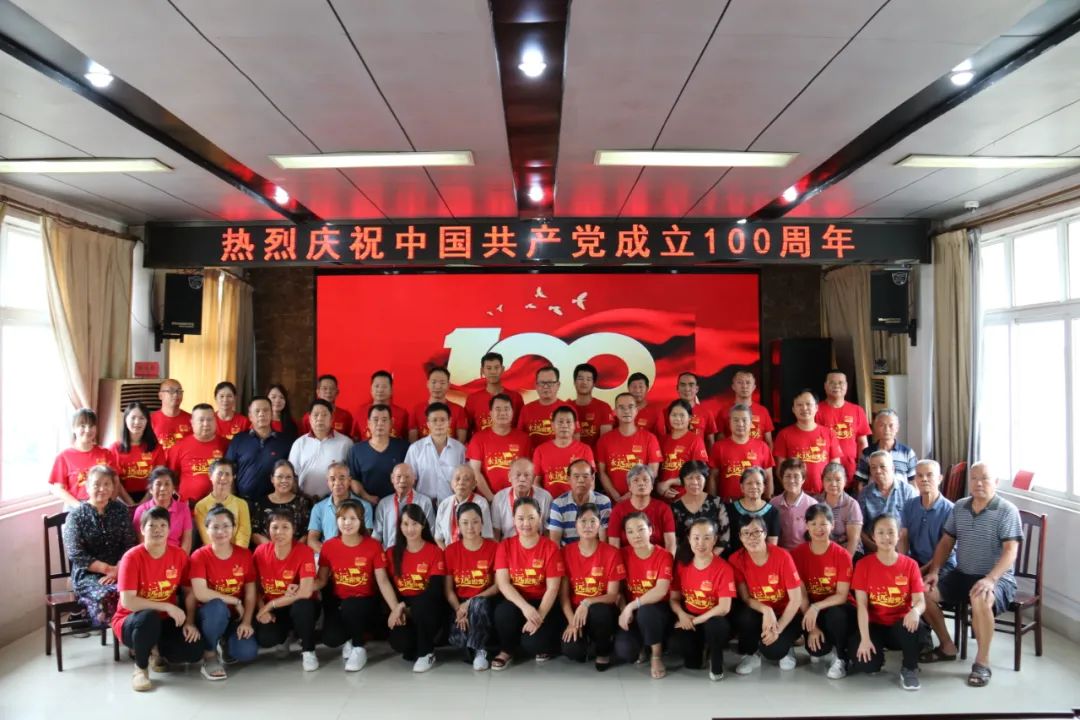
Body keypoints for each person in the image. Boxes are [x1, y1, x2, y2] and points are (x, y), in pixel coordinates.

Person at [924, 462, 1022, 688]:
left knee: (981, 597)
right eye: (974, 478)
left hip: (997, 578)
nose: (978, 483)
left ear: (996, 482)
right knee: (923, 592)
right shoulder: (960, 506)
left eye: (985, 478)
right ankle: (947, 646)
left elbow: (1011, 551)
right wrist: (935, 571)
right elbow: (947, 541)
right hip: (962, 573)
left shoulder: (1007, 510)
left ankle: (982, 662)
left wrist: (990, 579)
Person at [112, 506, 203, 691]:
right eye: (152, 525)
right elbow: (128, 601)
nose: (157, 530)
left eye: (163, 525)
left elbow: (189, 591)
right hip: (132, 620)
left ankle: (156, 649)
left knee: (194, 651)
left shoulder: (178, 555)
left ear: (169, 530)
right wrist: (167, 606)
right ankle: (140, 668)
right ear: (142, 529)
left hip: (164, 620)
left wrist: (190, 621)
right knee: (148, 617)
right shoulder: (131, 558)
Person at [849, 513, 925, 690]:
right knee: (866, 665)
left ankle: (909, 668)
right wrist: (865, 639)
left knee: (917, 626)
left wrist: (915, 611)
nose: (886, 537)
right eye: (881, 533)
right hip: (874, 625)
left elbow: (920, 601)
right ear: (873, 536)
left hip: (900, 625)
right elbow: (861, 606)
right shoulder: (863, 565)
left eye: (891, 532)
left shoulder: (910, 565)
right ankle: (876, 655)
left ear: (899, 535)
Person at [492, 497, 565, 670]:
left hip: (543, 603)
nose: (526, 523)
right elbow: (503, 584)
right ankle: (506, 650)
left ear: (540, 518)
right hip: (517, 600)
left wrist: (538, 616)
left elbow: (553, 588)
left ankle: (542, 642)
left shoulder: (550, 548)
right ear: (514, 519)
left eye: (531, 518)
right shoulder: (505, 546)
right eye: (521, 518)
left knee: (533, 645)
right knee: (503, 612)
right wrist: (525, 608)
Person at [316, 499, 388, 672]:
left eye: (353, 518)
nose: (347, 523)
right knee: (331, 639)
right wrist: (299, 588)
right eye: (343, 518)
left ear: (361, 520)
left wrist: (394, 608)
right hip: (340, 601)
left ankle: (358, 647)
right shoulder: (329, 546)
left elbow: (383, 581)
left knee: (352, 605)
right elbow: (321, 580)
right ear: (337, 520)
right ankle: (349, 637)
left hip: (366, 601)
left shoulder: (373, 545)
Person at [189, 505, 259, 680]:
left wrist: (246, 622)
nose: (221, 531)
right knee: (217, 607)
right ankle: (210, 654)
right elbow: (201, 593)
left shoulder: (244, 555)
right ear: (206, 529)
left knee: (246, 652)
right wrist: (234, 601)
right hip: (209, 616)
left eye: (226, 526)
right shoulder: (199, 556)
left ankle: (226, 642)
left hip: (235, 616)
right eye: (215, 527)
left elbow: (251, 593)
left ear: (234, 528)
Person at [63, 466, 138, 627]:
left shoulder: (120, 510)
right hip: (88, 574)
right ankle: (123, 631)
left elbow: (130, 543)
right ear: (87, 486)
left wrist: (118, 569)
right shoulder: (76, 516)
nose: (102, 489)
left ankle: (134, 632)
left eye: (107, 484)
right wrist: (107, 569)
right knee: (108, 595)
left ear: (113, 487)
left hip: (120, 569)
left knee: (138, 589)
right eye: (96, 484)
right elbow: (76, 553)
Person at [375, 504, 447, 672]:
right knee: (402, 645)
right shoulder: (391, 553)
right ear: (400, 526)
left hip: (428, 606)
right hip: (403, 607)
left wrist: (404, 608)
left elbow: (435, 591)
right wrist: (397, 607)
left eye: (415, 524)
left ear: (423, 525)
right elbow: (385, 584)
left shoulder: (435, 552)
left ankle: (426, 653)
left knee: (423, 605)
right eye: (405, 524)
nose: (410, 529)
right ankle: (417, 645)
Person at [900, 459, 958, 664]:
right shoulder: (909, 505)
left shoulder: (951, 510)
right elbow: (904, 537)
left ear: (940, 478)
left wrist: (916, 571)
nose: (924, 479)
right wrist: (902, 563)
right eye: (919, 475)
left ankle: (947, 645)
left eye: (929, 475)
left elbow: (945, 550)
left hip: (942, 567)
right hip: (915, 564)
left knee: (923, 593)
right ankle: (913, 639)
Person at [729, 517, 804, 674]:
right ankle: (752, 654)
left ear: (765, 533)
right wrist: (766, 610)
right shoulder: (736, 559)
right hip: (760, 611)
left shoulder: (782, 556)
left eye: (756, 532)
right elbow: (746, 598)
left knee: (773, 651)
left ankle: (787, 647)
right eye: (746, 533)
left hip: (787, 612)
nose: (751, 537)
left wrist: (778, 628)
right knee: (744, 616)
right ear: (740, 537)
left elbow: (796, 599)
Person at [669, 517, 736, 680]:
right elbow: (674, 599)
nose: (701, 543)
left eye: (707, 538)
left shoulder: (724, 568)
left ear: (715, 540)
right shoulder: (682, 565)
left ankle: (716, 658)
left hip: (713, 619)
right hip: (689, 616)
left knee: (716, 626)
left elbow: (724, 607)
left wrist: (695, 621)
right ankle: (702, 650)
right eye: (696, 538)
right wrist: (682, 615)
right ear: (689, 539)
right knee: (688, 659)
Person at [560, 503, 625, 671]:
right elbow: (564, 597)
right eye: (583, 521)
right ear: (575, 525)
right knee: (572, 651)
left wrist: (587, 602)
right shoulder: (566, 552)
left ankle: (603, 651)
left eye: (593, 521)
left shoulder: (611, 553)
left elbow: (613, 595)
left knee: (599, 612)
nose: (587, 526)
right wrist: (572, 622)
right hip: (576, 612)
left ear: (599, 525)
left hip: (601, 610)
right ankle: (586, 641)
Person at [252, 509, 319, 671]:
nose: (279, 532)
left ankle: (308, 650)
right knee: (266, 638)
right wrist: (262, 608)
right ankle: (285, 637)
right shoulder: (260, 552)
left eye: (285, 527)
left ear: (293, 530)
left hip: (299, 605)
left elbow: (305, 592)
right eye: (274, 527)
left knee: (303, 606)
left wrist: (270, 605)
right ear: (268, 529)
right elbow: (254, 587)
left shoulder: (304, 551)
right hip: (276, 609)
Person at [792, 504, 853, 680]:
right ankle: (828, 645)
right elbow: (802, 595)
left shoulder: (842, 555)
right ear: (806, 525)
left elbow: (842, 595)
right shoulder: (797, 554)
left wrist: (816, 607)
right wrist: (813, 629)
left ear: (832, 525)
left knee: (836, 615)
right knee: (817, 650)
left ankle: (841, 656)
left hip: (838, 607)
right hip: (811, 609)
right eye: (813, 524)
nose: (819, 529)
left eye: (824, 524)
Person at [614, 512, 673, 679]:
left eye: (641, 529)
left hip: (657, 609)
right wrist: (624, 609)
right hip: (633, 611)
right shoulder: (622, 554)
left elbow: (661, 590)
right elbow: (618, 589)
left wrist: (631, 606)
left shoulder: (664, 555)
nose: (636, 535)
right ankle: (643, 645)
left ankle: (656, 655)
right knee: (625, 651)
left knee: (647, 611)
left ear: (651, 530)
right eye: (630, 531)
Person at [443, 501, 500, 671]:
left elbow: (497, 586)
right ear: (458, 525)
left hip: (486, 601)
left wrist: (470, 603)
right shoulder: (450, 550)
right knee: (459, 641)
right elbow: (448, 590)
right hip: (459, 604)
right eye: (465, 522)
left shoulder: (494, 548)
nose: (470, 527)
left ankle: (481, 651)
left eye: (475, 522)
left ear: (482, 523)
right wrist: (459, 609)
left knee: (478, 603)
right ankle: (473, 648)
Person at [596, 392, 661, 502]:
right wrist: (616, 497)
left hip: (641, 500)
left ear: (636, 410)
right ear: (615, 411)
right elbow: (601, 472)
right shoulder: (604, 440)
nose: (626, 411)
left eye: (630, 407)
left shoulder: (650, 439)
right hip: (613, 502)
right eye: (621, 407)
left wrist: (631, 494)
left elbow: (652, 473)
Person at [773, 390, 842, 495]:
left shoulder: (829, 433)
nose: (804, 408)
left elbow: (835, 467)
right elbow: (780, 470)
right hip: (796, 495)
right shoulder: (783, 435)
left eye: (808, 404)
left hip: (824, 494)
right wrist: (793, 491)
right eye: (799, 405)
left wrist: (829, 491)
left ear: (816, 407)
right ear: (793, 409)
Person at [225, 396, 293, 500]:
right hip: (243, 501)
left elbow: (291, 473)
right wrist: (231, 498)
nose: (261, 414)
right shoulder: (239, 439)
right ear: (250, 416)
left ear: (271, 414)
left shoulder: (284, 442)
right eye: (257, 411)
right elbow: (228, 469)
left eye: (266, 410)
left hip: (275, 502)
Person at [466, 393, 531, 500]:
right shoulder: (478, 438)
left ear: (512, 412)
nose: (503, 413)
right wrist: (491, 498)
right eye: (498, 409)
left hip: (517, 499)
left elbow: (528, 471)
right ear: (491, 413)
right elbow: (475, 471)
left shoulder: (524, 439)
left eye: (506, 409)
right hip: (486, 499)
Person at [48, 408, 115, 507]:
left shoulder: (106, 453)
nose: (87, 430)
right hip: (76, 506)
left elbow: (115, 481)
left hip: (103, 504)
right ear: (73, 428)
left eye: (91, 426)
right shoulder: (63, 456)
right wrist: (80, 506)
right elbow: (58, 489)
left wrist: (108, 503)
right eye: (82, 426)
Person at [289, 399, 354, 498]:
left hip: (335, 501)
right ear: (309, 418)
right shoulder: (299, 443)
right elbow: (292, 475)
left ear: (331, 419)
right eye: (316, 415)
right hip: (305, 499)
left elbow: (352, 476)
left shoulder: (346, 443)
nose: (320, 418)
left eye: (324, 415)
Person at [346, 403, 410, 504]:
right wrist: (367, 497)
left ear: (391, 422)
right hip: (366, 503)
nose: (380, 423)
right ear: (368, 423)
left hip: (398, 503)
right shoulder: (356, 450)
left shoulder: (404, 447)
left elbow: (410, 477)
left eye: (384, 420)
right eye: (375, 420)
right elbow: (353, 479)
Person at [709, 403, 775, 500]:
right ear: (729, 422)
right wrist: (712, 502)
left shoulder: (762, 447)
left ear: (751, 423)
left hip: (755, 503)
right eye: (736, 420)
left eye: (744, 420)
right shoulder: (718, 447)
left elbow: (769, 477)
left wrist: (768, 501)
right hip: (727, 504)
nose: (740, 424)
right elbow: (713, 477)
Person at [405, 402, 467, 503]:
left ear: (449, 421)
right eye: (434, 420)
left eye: (443, 420)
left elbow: (465, 479)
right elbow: (408, 480)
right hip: (422, 504)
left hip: (451, 504)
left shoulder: (460, 449)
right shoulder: (415, 449)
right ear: (428, 423)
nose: (439, 424)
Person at [607, 465, 677, 554]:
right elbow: (614, 546)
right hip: (627, 559)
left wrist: (667, 562)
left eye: (645, 480)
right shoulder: (618, 510)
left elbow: (670, 544)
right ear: (629, 487)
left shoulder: (664, 509)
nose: (641, 483)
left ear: (652, 486)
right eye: (636, 480)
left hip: (658, 559)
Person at [815, 370, 871, 482]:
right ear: (825, 386)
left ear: (846, 386)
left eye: (840, 382)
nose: (836, 386)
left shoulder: (857, 410)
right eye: (832, 382)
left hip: (852, 470)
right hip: (825, 471)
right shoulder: (816, 410)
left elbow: (862, 443)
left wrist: (862, 470)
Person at [167, 403, 228, 503]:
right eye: (201, 420)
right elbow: (170, 477)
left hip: (219, 506)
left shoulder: (226, 445)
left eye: (209, 419)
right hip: (187, 507)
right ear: (192, 422)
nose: (206, 424)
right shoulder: (178, 447)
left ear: (215, 421)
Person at [307, 461, 374, 553]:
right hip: (327, 555)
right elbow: (312, 540)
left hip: (355, 554)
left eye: (342, 478)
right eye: (332, 479)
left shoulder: (364, 506)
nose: (337, 482)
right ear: (327, 482)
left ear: (349, 481)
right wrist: (330, 555)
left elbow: (366, 538)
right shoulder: (318, 508)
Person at [859, 450, 918, 552]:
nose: (878, 471)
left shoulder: (908, 491)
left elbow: (915, 525)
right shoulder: (864, 494)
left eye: (882, 466)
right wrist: (877, 549)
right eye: (873, 467)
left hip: (904, 549)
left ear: (893, 468)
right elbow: (859, 528)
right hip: (874, 550)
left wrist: (900, 551)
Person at [531, 405, 595, 497]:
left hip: (577, 503)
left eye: (568, 422)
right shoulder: (540, 450)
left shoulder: (585, 449)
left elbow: (591, 483)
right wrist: (547, 500)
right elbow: (536, 482)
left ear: (574, 426)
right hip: (550, 503)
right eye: (560, 422)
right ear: (552, 425)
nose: (564, 425)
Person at [110, 401, 166, 504]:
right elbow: (114, 479)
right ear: (126, 419)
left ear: (147, 422)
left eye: (142, 418)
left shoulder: (157, 448)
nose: (137, 422)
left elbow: (158, 477)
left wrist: (143, 503)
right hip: (122, 499)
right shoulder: (115, 448)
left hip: (150, 498)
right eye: (133, 418)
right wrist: (130, 503)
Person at [548, 458, 612, 545]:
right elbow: (555, 542)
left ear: (592, 478)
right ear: (568, 479)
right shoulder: (558, 504)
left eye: (585, 476)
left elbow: (603, 541)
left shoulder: (603, 502)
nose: (581, 480)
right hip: (566, 551)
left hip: (594, 550)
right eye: (576, 476)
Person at [671, 460, 730, 552]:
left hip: (714, 555)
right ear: (683, 481)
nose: (695, 482)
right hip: (685, 556)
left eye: (698, 478)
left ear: (705, 479)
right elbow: (674, 539)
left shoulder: (717, 502)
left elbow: (725, 536)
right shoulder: (675, 507)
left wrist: (710, 557)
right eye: (690, 478)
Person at [251, 459, 313, 545]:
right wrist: (274, 549)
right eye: (280, 477)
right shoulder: (260, 503)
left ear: (293, 479)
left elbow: (307, 533)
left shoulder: (303, 502)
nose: (284, 481)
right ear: (272, 479)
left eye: (288, 477)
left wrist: (293, 550)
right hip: (267, 551)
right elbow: (255, 533)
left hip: (296, 551)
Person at [374, 464, 436, 548]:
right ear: (392, 478)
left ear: (414, 479)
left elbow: (431, 531)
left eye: (407, 477)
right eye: (398, 476)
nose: (403, 480)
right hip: (390, 552)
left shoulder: (424, 502)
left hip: (417, 551)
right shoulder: (384, 504)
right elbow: (377, 534)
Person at [657, 399, 709, 501]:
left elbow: (700, 473)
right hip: (662, 497)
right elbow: (654, 469)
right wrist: (658, 486)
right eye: (674, 415)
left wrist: (670, 482)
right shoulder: (662, 440)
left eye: (682, 415)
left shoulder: (695, 440)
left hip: (685, 498)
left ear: (689, 418)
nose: (677, 418)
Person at [133, 467, 193, 553]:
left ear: (173, 489)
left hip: (177, 557)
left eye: (167, 484)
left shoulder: (183, 508)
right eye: (158, 484)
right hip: (151, 556)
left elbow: (187, 541)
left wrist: (180, 559)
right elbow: (142, 543)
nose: (162, 488)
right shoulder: (141, 510)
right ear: (151, 489)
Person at [194, 459, 252, 548]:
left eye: (227, 474)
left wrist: (236, 553)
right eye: (220, 474)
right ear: (210, 476)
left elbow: (243, 535)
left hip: (237, 552)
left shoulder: (241, 504)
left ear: (233, 477)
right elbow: (207, 538)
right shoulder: (201, 506)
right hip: (212, 551)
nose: (223, 478)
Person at [434, 464, 494, 547]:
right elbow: (438, 538)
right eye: (457, 479)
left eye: (466, 479)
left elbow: (486, 536)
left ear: (474, 484)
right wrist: (446, 553)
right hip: (448, 551)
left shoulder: (481, 503)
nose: (461, 482)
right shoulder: (444, 504)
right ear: (451, 483)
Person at [491, 458, 552, 540]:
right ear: (509, 476)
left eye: (527, 475)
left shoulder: (545, 497)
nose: (522, 479)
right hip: (509, 545)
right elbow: (496, 531)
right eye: (518, 475)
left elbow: (548, 531)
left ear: (534, 478)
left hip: (537, 544)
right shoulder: (499, 498)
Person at [855, 409, 919, 487]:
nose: (886, 429)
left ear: (897, 428)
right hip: (874, 494)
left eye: (891, 425)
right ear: (875, 427)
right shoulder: (867, 453)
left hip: (902, 494)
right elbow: (861, 482)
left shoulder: (907, 453)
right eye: (882, 425)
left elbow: (914, 481)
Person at [465, 351, 525, 433]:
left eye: (496, 368)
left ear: (502, 369)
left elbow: (521, 429)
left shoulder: (516, 397)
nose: (493, 372)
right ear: (482, 370)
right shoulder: (472, 399)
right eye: (489, 368)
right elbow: (466, 430)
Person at [726, 467, 780, 555]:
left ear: (764, 487)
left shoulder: (772, 512)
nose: (754, 486)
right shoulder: (730, 509)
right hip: (735, 558)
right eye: (749, 483)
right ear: (742, 487)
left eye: (758, 483)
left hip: (762, 559)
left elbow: (772, 546)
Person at [716, 369, 775, 448]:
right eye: (740, 382)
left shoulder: (763, 411)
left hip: (756, 455)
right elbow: (720, 443)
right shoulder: (724, 411)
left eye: (748, 382)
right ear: (733, 387)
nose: (744, 386)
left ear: (754, 387)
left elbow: (769, 442)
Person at [408, 366, 468, 443]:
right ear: (427, 384)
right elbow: (413, 442)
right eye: (434, 382)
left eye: (442, 383)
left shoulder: (459, 410)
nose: (438, 386)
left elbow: (461, 442)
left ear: (448, 385)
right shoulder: (416, 410)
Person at [817, 462, 863, 557]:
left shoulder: (851, 505)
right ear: (822, 481)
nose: (833, 484)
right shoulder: (816, 502)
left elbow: (853, 540)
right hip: (824, 549)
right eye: (828, 479)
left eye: (838, 480)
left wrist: (846, 562)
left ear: (845, 481)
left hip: (848, 551)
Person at [770, 458, 817, 551]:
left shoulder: (812, 505)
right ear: (782, 478)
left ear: (803, 479)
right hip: (780, 553)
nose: (791, 480)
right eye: (787, 476)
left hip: (805, 552)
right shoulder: (774, 503)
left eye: (796, 476)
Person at [354, 370, 410, 441]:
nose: (380, 390)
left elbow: (406, 439)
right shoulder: (361, 412)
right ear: (371, 389)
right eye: (377, 386)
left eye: (384, 386)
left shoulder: (402, 413)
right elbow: (355, 438)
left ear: (391, 389)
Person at [517, 365, 565, 446]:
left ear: (558, 385)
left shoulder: (567, 409)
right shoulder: (526, 409)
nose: (545, 386)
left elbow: (574, 443)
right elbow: (520, 439)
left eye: (550, 383)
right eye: (542, 383)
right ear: (536, 385)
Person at [570, 363, 614, 447]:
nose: (584, 382)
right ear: (574, 382)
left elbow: (605, 443)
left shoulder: (604, 407)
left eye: (588, 379)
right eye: (580, 378)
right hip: (572, 454)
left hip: (595, 455)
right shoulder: (567, 407)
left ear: (594, 384)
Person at [300, 374, 355, 439]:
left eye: (332, 388)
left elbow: (349, 438)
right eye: (324, 388)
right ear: (318, 392)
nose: (328, 391)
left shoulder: (346, 416)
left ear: (337, 392)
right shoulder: (307, 417)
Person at [674, 373, 718, 446]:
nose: (687, 389)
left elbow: (711, 443)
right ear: (677, 388)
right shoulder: (668, 412)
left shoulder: (706, 412)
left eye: (691, 385)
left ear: (697, 389)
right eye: (683, 385)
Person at [150, 379, 192, 451]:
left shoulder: (192, 420)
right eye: (171, 391)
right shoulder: (150, 420)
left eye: (179, 391)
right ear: (160, 396)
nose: (176, 394)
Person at [627, 371, 665, 436]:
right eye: (634, 387)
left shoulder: (656, 411)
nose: (637, 390)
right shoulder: (622, 410)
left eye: (641, 387)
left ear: (647, 389)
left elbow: (661, 437)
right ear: (628, 388)